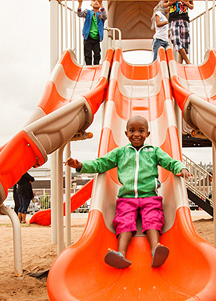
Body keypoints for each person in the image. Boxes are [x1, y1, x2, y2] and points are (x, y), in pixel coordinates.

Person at [65, 115, 192, 269]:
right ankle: (121, 254)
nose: (136, 134)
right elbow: (101, 163)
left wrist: (181, 168)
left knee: (153, 218)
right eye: (132, 131)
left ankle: (156, 249)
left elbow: (170, 162)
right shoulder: (121, 153)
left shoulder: (154, 151)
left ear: (148, 134)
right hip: (127, 198)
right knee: (124, 221)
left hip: (150, 196)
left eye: (141, 131)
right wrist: (80, 166)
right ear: (126, 133)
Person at [163, 0, 194, 64]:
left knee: (184, 43)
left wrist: (186, 2)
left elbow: (192, 6)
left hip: (184, 18)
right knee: (176, 40)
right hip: (174, 18)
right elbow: (163, 4)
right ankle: (188, 62)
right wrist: (169, 2)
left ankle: (180, 65)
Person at [76, 0, 108, 65]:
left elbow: (105, 16)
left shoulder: (101, 14)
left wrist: (101, 4)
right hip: (88, 36)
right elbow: (79, 14)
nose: (96, 2)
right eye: (94, 0)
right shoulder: (88, 12)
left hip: (96, 37)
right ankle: (88, 66)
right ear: (91, 4)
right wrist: (80, 4)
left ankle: (96, 66)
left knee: (97, 54)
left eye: (98, 1)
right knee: (88, 53)